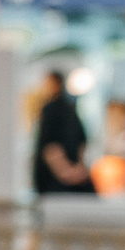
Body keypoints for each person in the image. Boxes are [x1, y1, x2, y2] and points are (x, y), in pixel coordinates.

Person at [33, 62, 98, 196]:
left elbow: (49, 145)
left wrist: (67, 172)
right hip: (71, 175)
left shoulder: (51, 109)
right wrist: (77, 169)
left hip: (56, 179)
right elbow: (82, 141)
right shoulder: (71, 108)